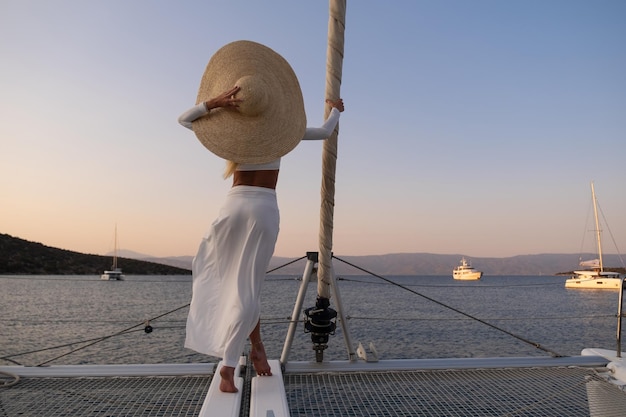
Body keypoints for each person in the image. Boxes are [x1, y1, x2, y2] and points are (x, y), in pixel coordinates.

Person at [178, 41, 344, 393]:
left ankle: (255, 349)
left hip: (232, 205)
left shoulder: (230, 133)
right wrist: (334, 109)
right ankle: (228, 362)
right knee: (248, 287)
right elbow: (325, 132)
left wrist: (215, 103)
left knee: (222, 277)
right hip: (263, 208)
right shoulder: (282, 134)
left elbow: (183, 119)